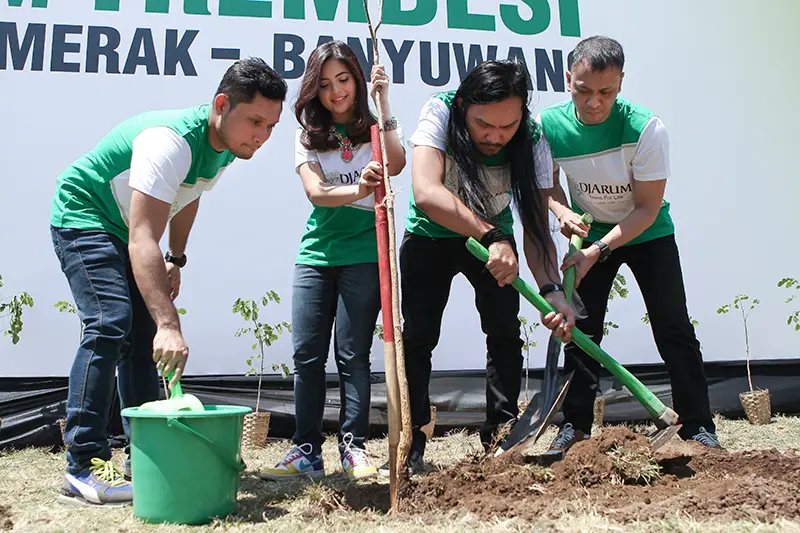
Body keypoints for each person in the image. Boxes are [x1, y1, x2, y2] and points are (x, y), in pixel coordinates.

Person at [50, 57, 288, 506]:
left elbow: (188, 197)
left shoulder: (222, 147)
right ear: (222, 104)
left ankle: (141, 455)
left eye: (271, 126)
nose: (261, 136)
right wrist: (170, 323)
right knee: (108, 323)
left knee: (141, 343)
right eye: (255, 121)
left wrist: (176, 257)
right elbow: (142, 238)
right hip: (85, 215)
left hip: (124, 227)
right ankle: (83, 465)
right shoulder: (170, 143)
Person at [537, 35, 720, 458]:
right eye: (583, 90)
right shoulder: (549, 126)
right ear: (568, 79)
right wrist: (563, 212)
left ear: (621, 82)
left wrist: (597, 249)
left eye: (606, 92)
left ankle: (698, 426)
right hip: (590, 234)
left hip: (646, 233)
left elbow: (646, 209)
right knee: (582, 330)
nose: (594, 102)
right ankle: (575, 427)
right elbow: (545, 186)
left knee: (673, 326)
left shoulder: (646, 128)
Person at [393, 59, 576, 473]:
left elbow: (535, 222)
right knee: (419, 337)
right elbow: (425, 192)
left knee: (505, 334)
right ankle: (413, 440)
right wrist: (491, 235)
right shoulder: (439, 111)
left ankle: (501, 434)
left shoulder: (532, 136)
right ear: (462, 106)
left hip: (497, 241)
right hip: (431, 236)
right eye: (483, 124)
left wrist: (551, 290)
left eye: (506, 126)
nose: (495, 136)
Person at [259, 41, 405, 482]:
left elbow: (396, 165)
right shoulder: (307, 137)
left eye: (343, 80)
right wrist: (360, 189)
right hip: (316, 255)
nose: (336, 91)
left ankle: (353, 448)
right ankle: (306, 450)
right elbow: (317, 193)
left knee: (352, 355)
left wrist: (385, 104)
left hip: (364, 254)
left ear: (357, 80)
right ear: (314, 91)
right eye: (324, 84)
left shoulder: (376, 126)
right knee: (307, 355)